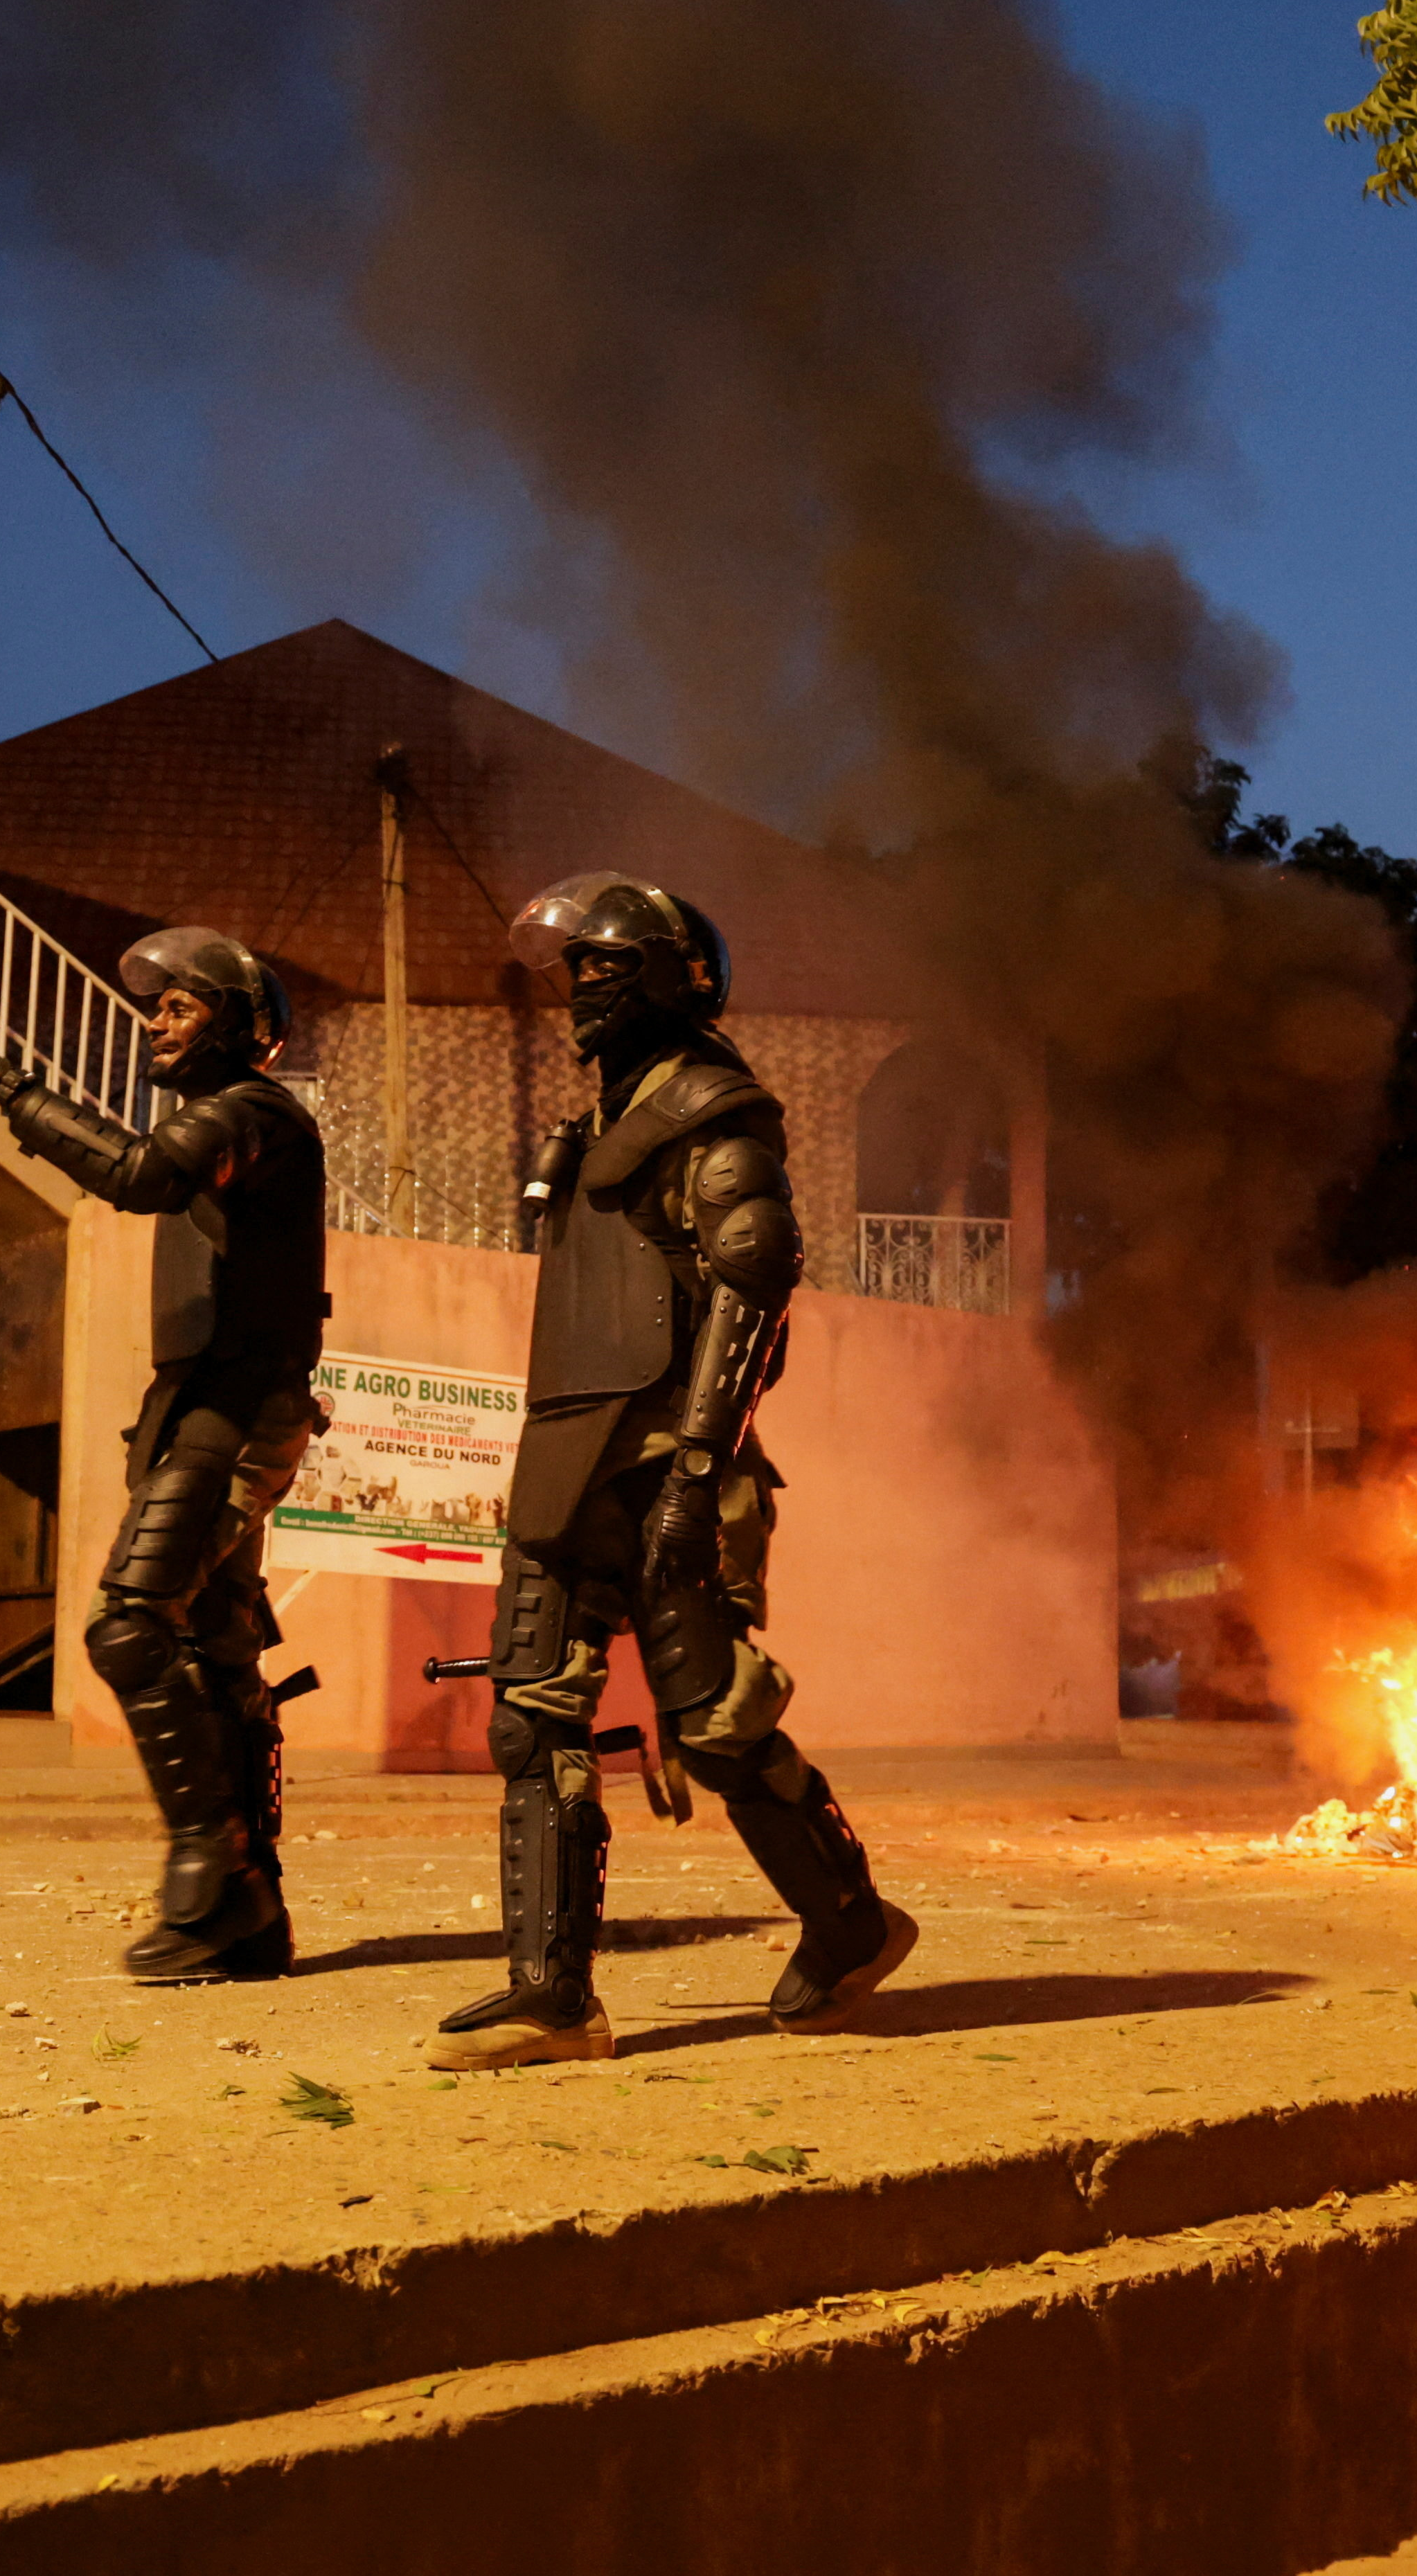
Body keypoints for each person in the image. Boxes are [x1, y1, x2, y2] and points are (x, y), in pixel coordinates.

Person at [427, 872, 914, 2072]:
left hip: (665, 1461)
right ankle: (550, 1996)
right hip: (566, 1463)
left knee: (714, 1724)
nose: (578, 991)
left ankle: (849, 1920)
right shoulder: (593, 1127)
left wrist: (700, 1471)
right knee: (533, 1724)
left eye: (603, 967)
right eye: (572, 969)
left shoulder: (709, 1111)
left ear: (665, 978)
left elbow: (751, 1287)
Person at [0, 927, 326, 1983]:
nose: (155, 1019)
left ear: (241, 1029)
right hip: (202, 1401)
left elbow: (139, 1174)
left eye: (181, 1006)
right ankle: (254, 1912)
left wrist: (4, 1083)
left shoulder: (252, 1116)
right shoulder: (229, 1124)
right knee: (216, 1652)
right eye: (156, 1005)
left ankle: (214, 1879)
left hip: (235, 1406)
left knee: (128, 1624)